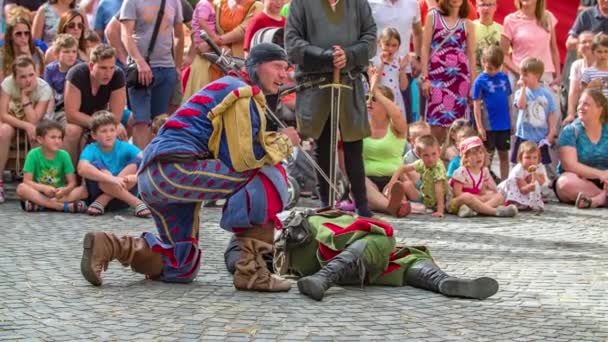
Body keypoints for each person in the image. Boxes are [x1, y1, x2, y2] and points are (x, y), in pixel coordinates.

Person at [79, 43, 300, 292]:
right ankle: (252, 271)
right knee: (268, 175)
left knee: (181, 263)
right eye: (277, 66)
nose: (284, 74)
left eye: (286, 68)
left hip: (157, 175)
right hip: (174, 170)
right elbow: (244, 160)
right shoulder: (242, 92)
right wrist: (284, 141)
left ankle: (110, 245)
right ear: (257, 65)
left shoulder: (233, 87)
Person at [225, 208, 499, 302]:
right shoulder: (265, 228)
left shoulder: (261, 225)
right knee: (384, 236)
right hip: (314, 246)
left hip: (334, 257)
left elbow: (235, 258)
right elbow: (234, 256)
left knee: (404, 258)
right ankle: (324, 277)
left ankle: (443, 282)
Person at [284, 0, 377, 217]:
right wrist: (323, 55)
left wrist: (350, 55)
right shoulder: (301, 4)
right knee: (323, 143)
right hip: (316, 82)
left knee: (354, 145)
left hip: (349, 81)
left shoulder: (357, 3)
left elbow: (370, 36)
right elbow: (292, 41)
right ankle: (326, 202)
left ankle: (362, 205)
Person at [120, 0, 184, 149]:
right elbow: (125, 34)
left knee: (159, 122)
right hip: (140, 71)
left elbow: (180, 35)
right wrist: (139, 61)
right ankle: (141, 167)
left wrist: (177, 66)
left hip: (166, 68)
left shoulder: (174, 2)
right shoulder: (131, 2)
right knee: (141, 121)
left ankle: (154, 166)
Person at [419, 0, 476, 143]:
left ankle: (453, 162)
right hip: (436, 76)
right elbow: (425, 48)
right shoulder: (433, 16)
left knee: (457, 127)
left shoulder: (467, 24)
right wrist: (425, 78)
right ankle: (434, 161)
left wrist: (473, 85)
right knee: (436, 125)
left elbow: (471, 56)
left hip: (460, 80)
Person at [62, 44, 127, 165]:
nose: (108, 73)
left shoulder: (118, 75)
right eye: (103, 68)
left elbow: (116, 116)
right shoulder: (77, 74)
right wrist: (100, 125)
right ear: (91, 66)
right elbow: (71, 114)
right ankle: (69, 175)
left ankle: (114, 172)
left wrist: (107, 126)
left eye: (111, 68)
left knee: (120, 129)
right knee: (73, 130)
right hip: (70, 115)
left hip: (100, 115)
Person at [0, 56, 53, 203]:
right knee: (3, 131)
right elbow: (3, 115)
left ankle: (36, 184)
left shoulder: (44, 88)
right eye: (22, 77)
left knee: (36, 135)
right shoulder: (8, 84)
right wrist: (26, 125)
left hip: (34, 121)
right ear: (15, 78)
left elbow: (34, 120)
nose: (28, 80)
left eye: (31, 75)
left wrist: (24, 97)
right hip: (12, 119)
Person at [77, 110, 150, 217]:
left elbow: (147, 159)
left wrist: (136, 175)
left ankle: (104, 199)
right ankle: (136, 202)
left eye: (112, 130)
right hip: (98, 192)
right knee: (95, 165)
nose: (109, 135)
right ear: (94, 135)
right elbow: (82, 169)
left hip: (117, 199)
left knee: (137, 161)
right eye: (104, 131)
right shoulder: (91, 149)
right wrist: (112, 179)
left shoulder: (124, 146)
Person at [368, 0, 423, 122]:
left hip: (402, 69)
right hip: (376, 69)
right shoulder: (369, 2)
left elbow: (418, 32)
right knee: (375, 118)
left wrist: (418, 58)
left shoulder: (413, 3)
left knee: (402, 120)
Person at [16, 119, 87, 212]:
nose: (57, 141)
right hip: (39, 192)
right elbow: (27, 181)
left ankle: (41, 205)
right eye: (53, 137)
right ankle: (61, 207)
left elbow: (72, 182)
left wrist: (65, 190)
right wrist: (44, 188)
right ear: (40, 139)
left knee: (83, 191)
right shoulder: (33, 154)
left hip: (58, 194)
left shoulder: (64, 155)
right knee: (21, 188)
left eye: (60, 137)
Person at [554, 89, 608, 208]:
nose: (580, 107)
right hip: (579, 180)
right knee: (564, 183)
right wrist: (601, 174)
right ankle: (603, 198)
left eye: (586, 104)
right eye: (579, 103)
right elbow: (570, 165)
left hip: (606, 181)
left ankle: (599, 199)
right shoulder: (570, 131)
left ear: (600, 109)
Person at [361, 84, 409, 217]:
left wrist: (377, 91)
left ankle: (386, 203)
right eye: (367, 97)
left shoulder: (396, 127)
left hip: (392, 180)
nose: (369, 102)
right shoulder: (362, 125)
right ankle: (392, 206)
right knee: (360, 183)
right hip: (369, 180)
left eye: (374, 99)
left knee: (391, 191)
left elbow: (397, 114)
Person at [447, 136, 518, 218]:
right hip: (456, 203)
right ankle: (495, 212)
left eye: (481, 152)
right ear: (466, 158)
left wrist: (483, 196)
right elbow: (458, 194)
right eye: (474, 154)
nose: (478, 156)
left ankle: (476, 210)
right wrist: (476, 198)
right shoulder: (461, 172)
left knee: (500, 196)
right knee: (467, 196)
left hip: (473, 201)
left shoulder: (484, 171)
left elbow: (482, 192)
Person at [472, 45, 513, 180]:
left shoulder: (504, 78)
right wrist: (479, 126)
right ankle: (484, 182)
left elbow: (508, 99)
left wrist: (511, 121)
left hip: (504, 125)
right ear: (483, 62)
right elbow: (476, 105)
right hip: (488, 125)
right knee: (486, 156)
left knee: (504, 155)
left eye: (496, 68)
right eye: (489, 68)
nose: (493, 72)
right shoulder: (479, 81)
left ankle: (505, 182)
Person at [511, 57, 556, 172]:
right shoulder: (520, 92)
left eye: (525, 75)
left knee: (539, 165)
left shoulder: (546, 94)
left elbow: (551, 113)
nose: (522, 77)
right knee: (521, 163)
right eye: (521, 74)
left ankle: (539, 184)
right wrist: (523, 89)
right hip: (523, 136)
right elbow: (520, 105)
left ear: (536, 76)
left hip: (540, 137)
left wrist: (551, 132)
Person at [390, 134, 447, 217]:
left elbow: (439, 190)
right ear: (419, 156)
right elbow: (402, 168)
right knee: (406, 185)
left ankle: (410, 207)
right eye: (426, 155)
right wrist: (392, 182)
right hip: (425, 197)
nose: (430, 159)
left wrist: (440, 210)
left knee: (422, 207)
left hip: (438, 202)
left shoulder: (438, 168)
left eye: (434, 154)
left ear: (439, 152)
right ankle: (402, 203)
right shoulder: (421, 162)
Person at [370, 27, 409, 118]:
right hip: (380, 100)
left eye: (394, 45)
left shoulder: (399, 62)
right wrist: (382, 64)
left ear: (398, 46)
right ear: (380, 43)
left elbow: (403, 87)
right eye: (387, 44)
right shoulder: (375, 61)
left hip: (395, 100)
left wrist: (402, 69)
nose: (390, 49)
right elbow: (375, 82)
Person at [497, 141, 547, 211]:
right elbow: (522, 189)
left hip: (525, 189)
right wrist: (528, 187)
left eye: (535, 158)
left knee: (536, 185)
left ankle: (529, 203)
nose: (531, 161)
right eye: (527, 157)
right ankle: (512, 202)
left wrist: (535, 176)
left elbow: (542, 181)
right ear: (521, 158)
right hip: (511, 189)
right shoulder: (519, 169)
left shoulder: (539, 166)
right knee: (512, 181)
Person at [563, 31, 595, 126]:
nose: (587, 44)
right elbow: (574, 91)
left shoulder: (603, 64)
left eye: (591, 41)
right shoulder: (577, 65)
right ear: (578, 47)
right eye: (584, 42)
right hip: (584, 108)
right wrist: (571, 114)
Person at [43, 33, 80, 113]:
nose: (71, 55)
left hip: (75, 107)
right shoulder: (50, 69)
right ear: (56, 54)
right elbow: (49, 94)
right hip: (57, 106)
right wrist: (49, 115)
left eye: (74, 52)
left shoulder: (79, 68)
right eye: (66, 52)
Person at [0, 16, 45, 80]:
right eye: (18, 34)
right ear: (10, 36)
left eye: (26, 33)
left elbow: (35, 80)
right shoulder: (2, 56)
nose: (23, 37)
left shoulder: (36, 53)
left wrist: (28, 54)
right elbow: (3, 84)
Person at [581, 33, 608, 98]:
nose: (603, 55)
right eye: (599, 52)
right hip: (596, 106)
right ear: (593, 52)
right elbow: (582, 94)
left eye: (606, 51)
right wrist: (591, 86)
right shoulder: (588, 72)